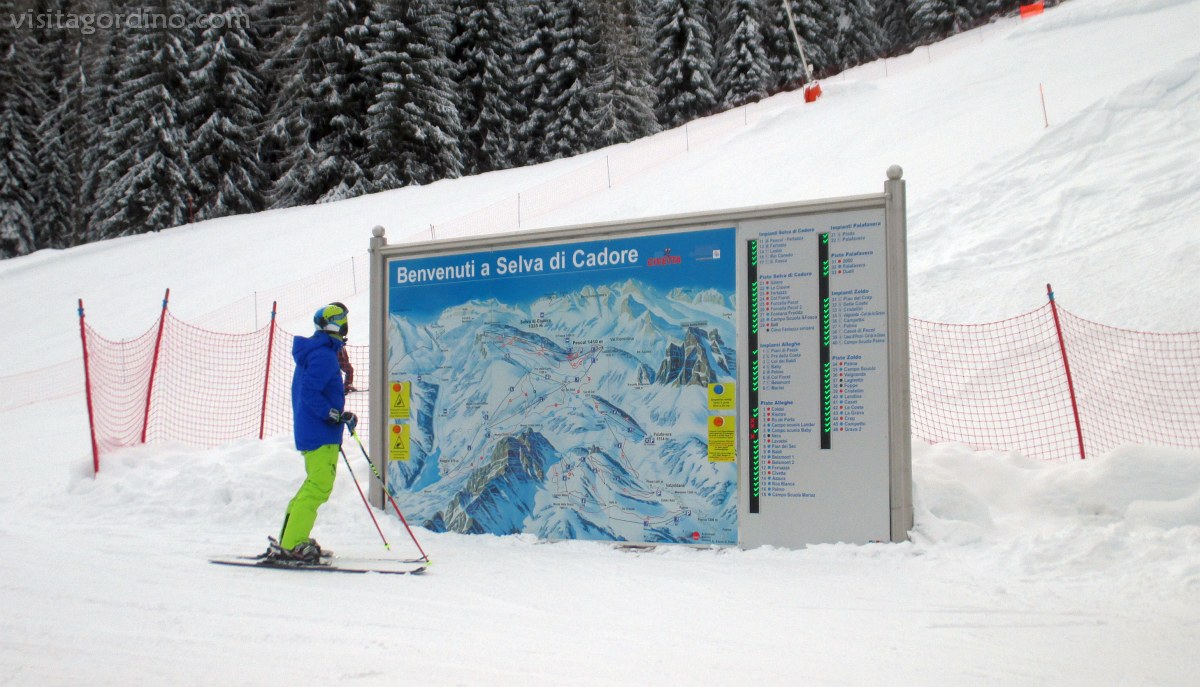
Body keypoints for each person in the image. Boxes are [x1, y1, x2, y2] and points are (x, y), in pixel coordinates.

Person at [266, 302, 358, 562]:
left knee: (315, 485)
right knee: (318, 486)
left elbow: (318, 392)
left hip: (318, 430)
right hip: (319, 432)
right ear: (335, 325)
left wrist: (339, 414)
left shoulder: (321, 352)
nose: (345, 326)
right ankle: (293, 542)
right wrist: (331, 414)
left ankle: (291, 538)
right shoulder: (323, 355)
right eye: (343, 322)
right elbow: (310, 392)